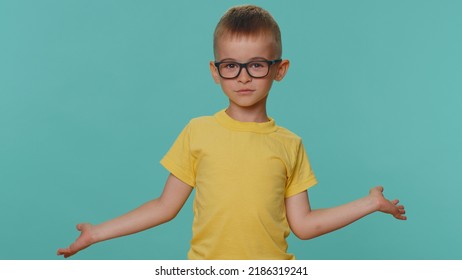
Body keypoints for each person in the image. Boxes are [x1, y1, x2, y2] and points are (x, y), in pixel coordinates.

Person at [57, 5, 406, 260]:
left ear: (279, 69)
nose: (242, 77)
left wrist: (370, 203)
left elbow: (304, 226)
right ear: (215, 71)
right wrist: (97, 233)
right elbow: (164, 207)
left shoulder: (290, 144)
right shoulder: (198, 131)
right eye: (230, 66)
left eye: (256, 65)